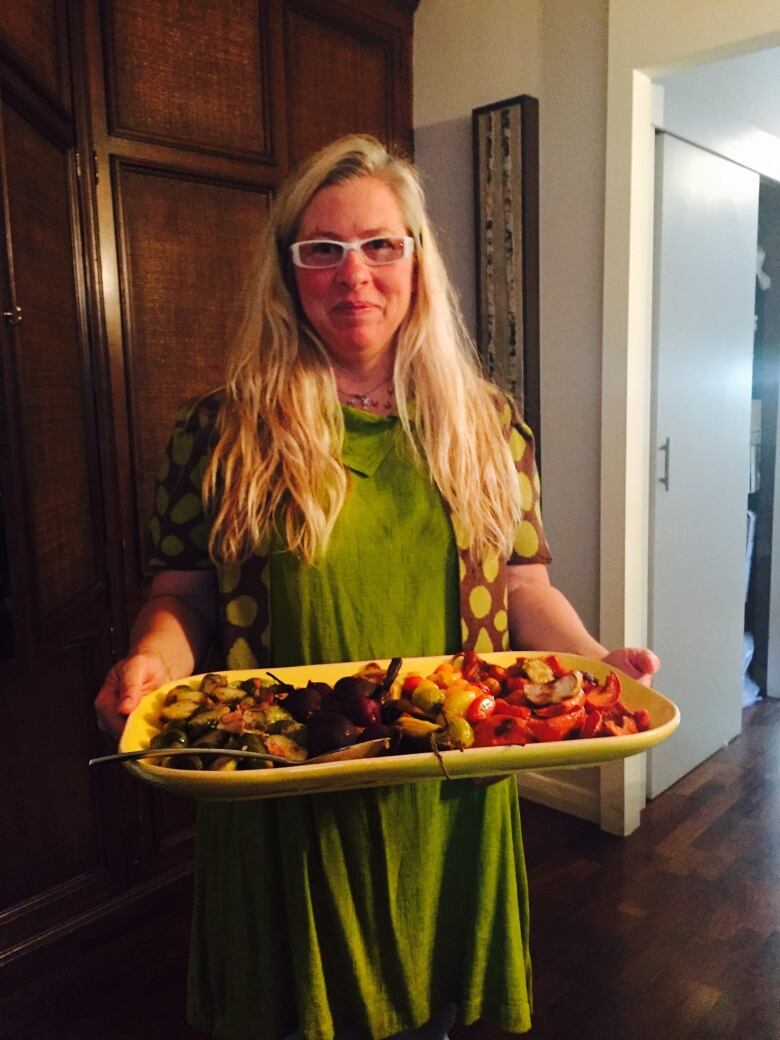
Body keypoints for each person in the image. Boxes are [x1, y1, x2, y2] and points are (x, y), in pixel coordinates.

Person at [95, 134, 659, 1040]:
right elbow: (186, 595)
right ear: (288, 271)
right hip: (280, 790)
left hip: (446, 788)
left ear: (416, 260)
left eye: (379, 245)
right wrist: (151, 659)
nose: (352, 274)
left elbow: (522, 587)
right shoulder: (219, 429)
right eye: (322, 248)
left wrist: (594, 665)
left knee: (428, 1018)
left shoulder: (487, 424)